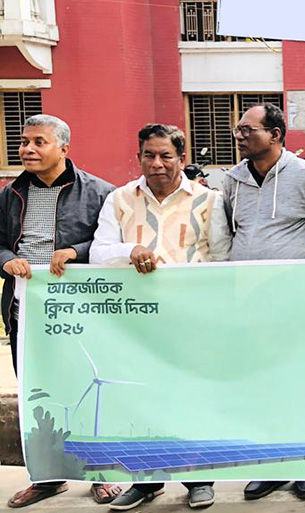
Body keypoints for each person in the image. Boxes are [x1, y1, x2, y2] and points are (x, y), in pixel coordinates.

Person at [88, 124, 226, 510]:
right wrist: (130, 250)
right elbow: (98, 251)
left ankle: (199, 480)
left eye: (166, 155)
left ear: (181, 158)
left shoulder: (209, 200)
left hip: (192, 319)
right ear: (138, 158)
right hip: (137, 322)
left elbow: (222, 256)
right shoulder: (119, 199)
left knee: (191, 395)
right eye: (149, 155)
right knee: (142, 397)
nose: (157, 163)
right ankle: (146, 482)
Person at [0, 115, 122, 508]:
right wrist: (7, 260)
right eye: (24, 142)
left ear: (64, 149)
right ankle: (47, 476)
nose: (27, 149)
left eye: (39, 142)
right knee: (37, 393)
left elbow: (111, 244)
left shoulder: (100, 192)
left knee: (87, 387)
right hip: (26, 311)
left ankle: (100, 473)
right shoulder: (10, 194)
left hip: (82, 311)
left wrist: (76, 252)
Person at [222, 104, 305, 501]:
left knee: (299, 379)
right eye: (238, 130)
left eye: (248, 129)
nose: (240, 136)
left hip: (296, 300)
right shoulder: (232, 180)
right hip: (248, 301)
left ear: (275, 134)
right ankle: (272, 464)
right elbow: (230, 231)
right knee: (262, 382)